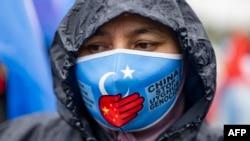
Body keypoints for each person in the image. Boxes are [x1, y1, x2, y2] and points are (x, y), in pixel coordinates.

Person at [0, 0, 223, 141]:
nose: (117, 73)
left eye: (143, 44)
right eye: (96, 47)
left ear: (187, 55)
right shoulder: (27, 135)